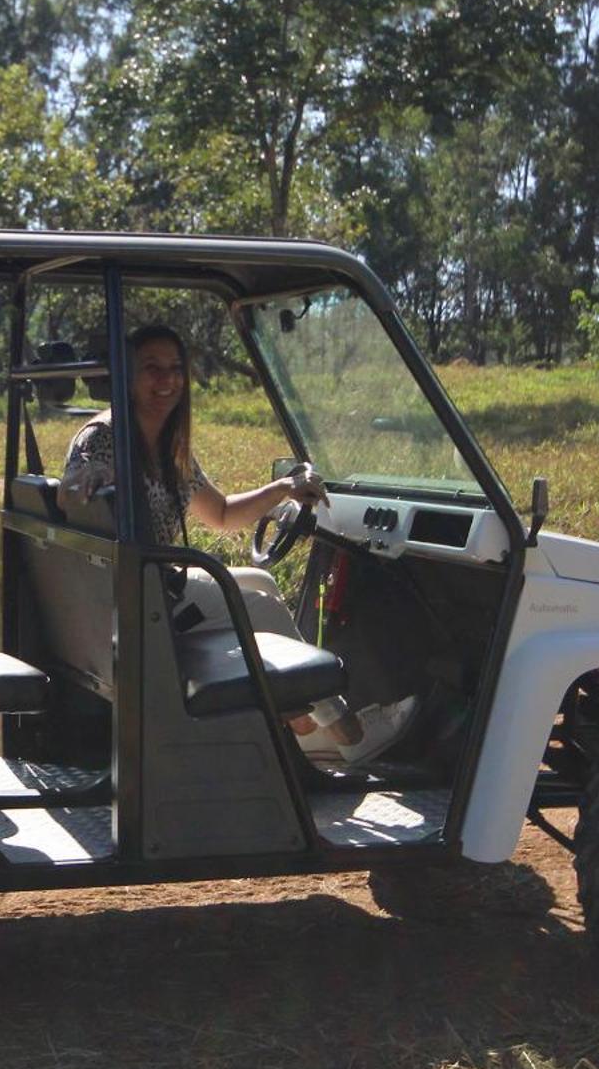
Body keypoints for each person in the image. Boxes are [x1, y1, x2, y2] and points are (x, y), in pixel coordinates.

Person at [60, 323, 389, 758]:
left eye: (175, 368)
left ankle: (303, 723)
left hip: (159, 584)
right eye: (152, 368)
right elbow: (70, 492)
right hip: (141, 598)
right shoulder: (104, 437)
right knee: (261, 607)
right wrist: (87, 480)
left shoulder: (167, 443)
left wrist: (284, 489)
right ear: (126, 375)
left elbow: (220, 513)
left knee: (261, 582)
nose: (167, 380)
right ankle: (346, 732)